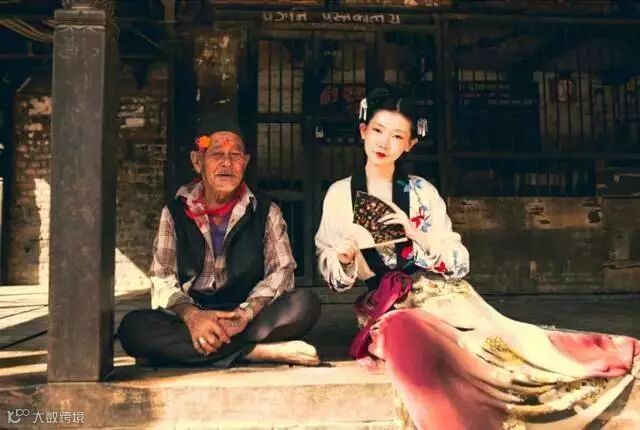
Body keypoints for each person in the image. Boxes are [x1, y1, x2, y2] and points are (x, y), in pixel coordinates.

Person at [315, 87, 639, 429]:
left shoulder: (422, 192)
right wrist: (344, 258)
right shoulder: (339, 195)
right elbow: (332, 276)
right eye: (378, 130)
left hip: (442, 295)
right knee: (406, 333)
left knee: (504, 347)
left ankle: (596, 357)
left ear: (410, 144)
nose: (384, 142)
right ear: (363, 131)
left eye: (397, 136)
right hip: (386, 305)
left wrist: (417, 235)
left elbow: (459, 262)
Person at [118, 112, 321, 368]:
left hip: (246, 313)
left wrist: (246, 313)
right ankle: (254, 352)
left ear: (245, 162)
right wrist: (193, 317)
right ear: (197, 161)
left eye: (235, 155)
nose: (227, 163)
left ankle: (189, 350)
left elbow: (282, 271)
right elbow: (162, 278)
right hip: (193, 313)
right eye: (216, 154)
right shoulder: (175, 212)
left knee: (305, 305)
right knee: (133, 328)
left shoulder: (266, 211)